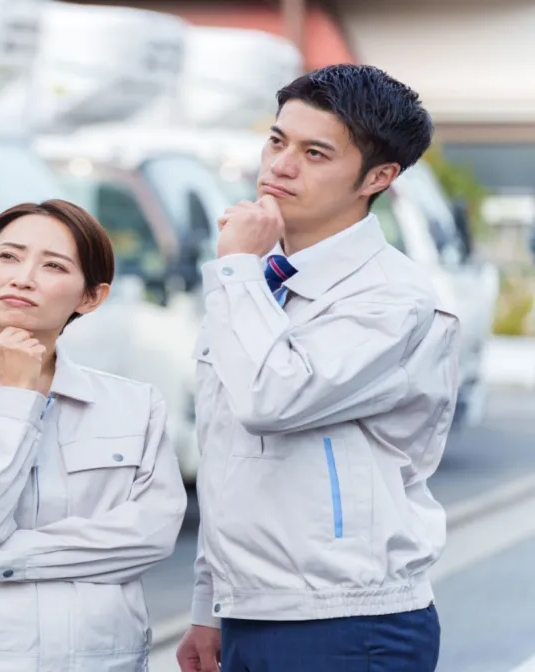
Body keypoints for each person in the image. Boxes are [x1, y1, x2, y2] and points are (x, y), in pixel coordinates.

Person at [175, 64, 458, 672]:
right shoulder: (259, 279)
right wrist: (210, 604)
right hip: (253, 612)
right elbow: (226, 451)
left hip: (350, 620)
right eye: (277, 140)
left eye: (315, 152)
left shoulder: (392, 298)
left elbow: (269, 400)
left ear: (377, 177)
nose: (280, 165)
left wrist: (236, 272)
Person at [0, 199, 188, 671]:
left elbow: (150, 536)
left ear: (91, 297)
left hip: (104, 660)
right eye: (8, 257)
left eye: (53, 265)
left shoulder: (135, 406)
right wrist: (17, 397)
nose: (23, 277)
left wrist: (0, 557)